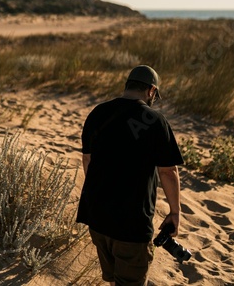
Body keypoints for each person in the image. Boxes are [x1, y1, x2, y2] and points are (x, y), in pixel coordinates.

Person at [76, 65, 184, 286]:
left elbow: (87, 160)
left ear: (127, 86)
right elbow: (168, 172)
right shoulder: (155, 120)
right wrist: (175, 212)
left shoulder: (98, 112)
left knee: (114, 278)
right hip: (131, 225)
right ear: (151, 91)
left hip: (96, 217)